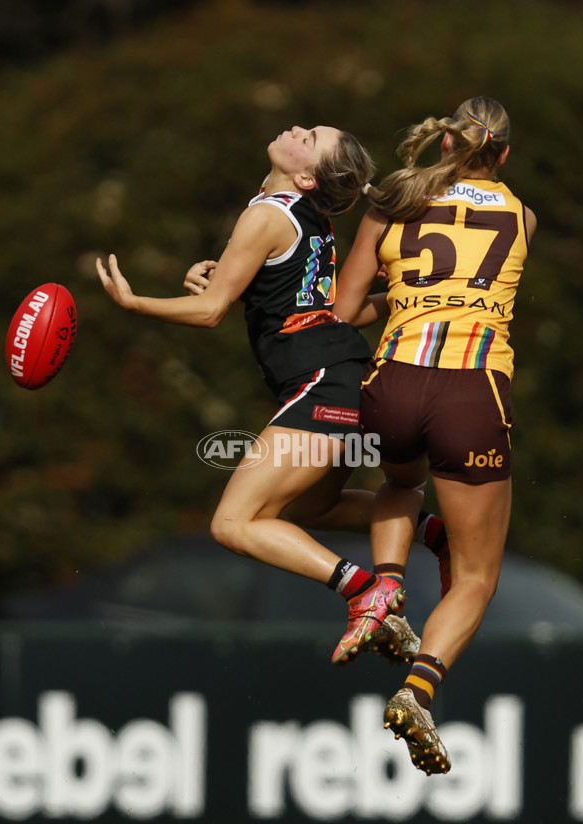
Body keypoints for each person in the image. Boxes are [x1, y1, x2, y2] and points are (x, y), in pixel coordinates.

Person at [96, 123, 436, 664]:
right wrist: (220, 276)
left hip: (323, 383)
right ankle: (429, 528)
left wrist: (138, 303)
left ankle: (364, 591)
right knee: (309, 510)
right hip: (345, 380)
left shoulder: (268, 214)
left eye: (310, 137)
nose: (297, 128)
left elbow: (210, 313)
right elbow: (289, 295)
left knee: (232, 524)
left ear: (305, 176)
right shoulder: (295, 213)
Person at [334, 96, 536, 774]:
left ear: (446, 143)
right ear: (501, 153)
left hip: (391, 381)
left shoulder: (392, 200)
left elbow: (343, 311)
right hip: (472, 393)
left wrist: (402, 300)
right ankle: (418, 690)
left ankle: (386, 587)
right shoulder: (523, 217)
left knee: (397, 480)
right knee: (476, 576)